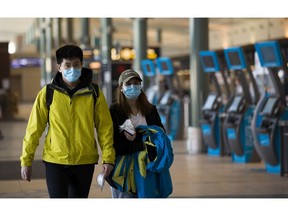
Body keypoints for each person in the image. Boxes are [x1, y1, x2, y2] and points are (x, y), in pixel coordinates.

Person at [20, 44, 115, 198]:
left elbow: (105, 128)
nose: (72, 69)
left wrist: (108, 158)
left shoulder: (94, 93)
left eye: (76, 64)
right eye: (67, 65)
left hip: (84, 161)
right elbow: (33, 129)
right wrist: (26, 160)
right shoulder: (47, 93)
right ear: (59, 67)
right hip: (55, 161)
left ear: (82, 65)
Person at [109, 69, 168, 198]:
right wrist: (137, 140)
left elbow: (161, 135)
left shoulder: (150, 110)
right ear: (121, 88)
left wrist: (137, 138)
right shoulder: (114, 111)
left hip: (148, 168)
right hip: (124, 171)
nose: (132, 87)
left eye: (136, 83)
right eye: (128, 84)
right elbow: (114, 143)